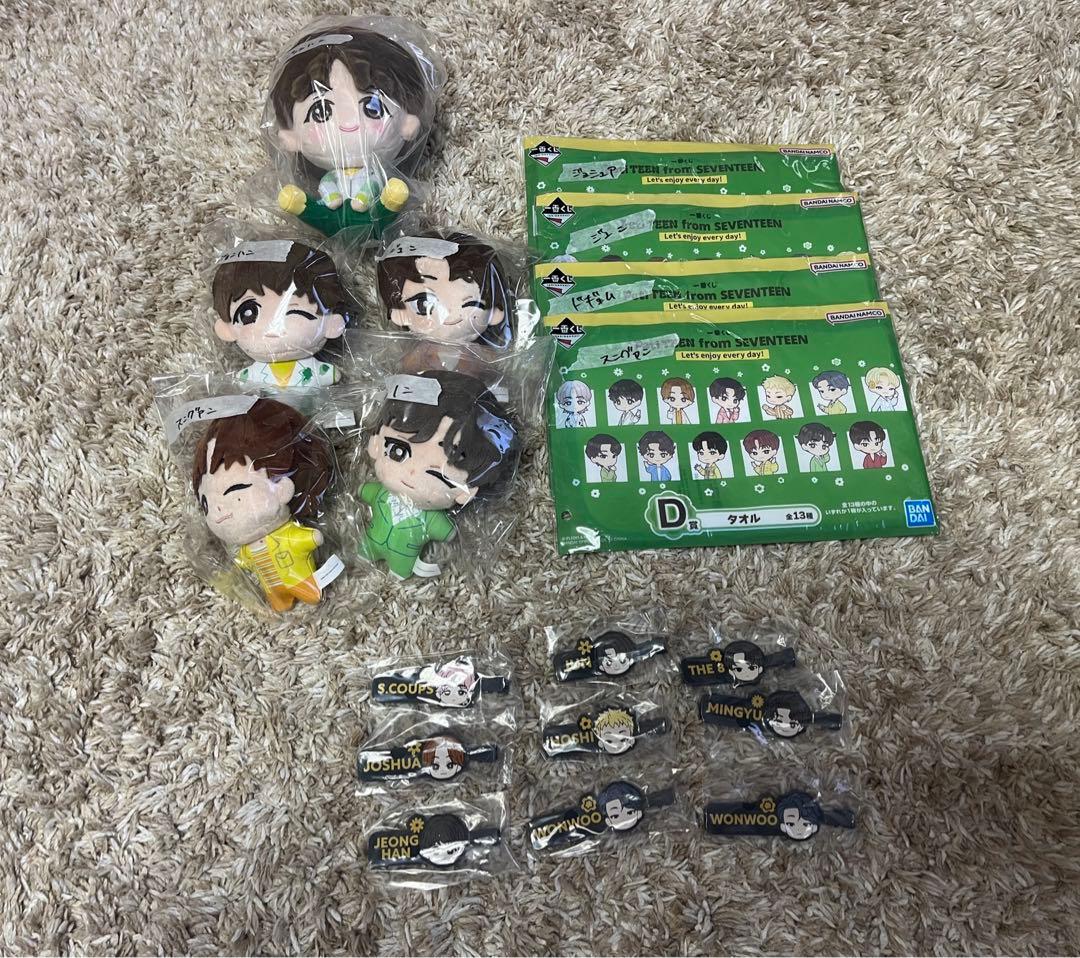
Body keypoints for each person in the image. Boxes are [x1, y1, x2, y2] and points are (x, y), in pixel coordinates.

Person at [360, 370, 519, 579]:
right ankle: (364, 554)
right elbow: (366, 491)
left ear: (465, 492)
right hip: (369, 541)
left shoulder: (431, 517)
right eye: (397, 451)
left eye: (437, 474)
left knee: (399, 571)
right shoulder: (382, 494)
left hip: (403, 556)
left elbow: (446, 531)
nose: (412, 471)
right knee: (362, 550)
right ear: (375, 444)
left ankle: (399, 571)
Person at [192, 398, 334, 611]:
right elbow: (245, 561)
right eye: (206, 503)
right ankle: (279, 600)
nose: (217, 509)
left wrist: (311, 537)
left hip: (300, 579)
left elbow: (309, 538)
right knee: (277, 600)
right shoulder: (247, 548)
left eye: (236, 490)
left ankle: (308, 592)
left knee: (310, 593)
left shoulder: (287, 532)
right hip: (271, 587)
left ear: (282, 488)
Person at [211, 240, 357, 388]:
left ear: (332, 324)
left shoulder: (316, 370)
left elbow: (331, 375)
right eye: (248, 314)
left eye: (296, 311)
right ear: (226, 330)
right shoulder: (251, 376)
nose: (273, 330)